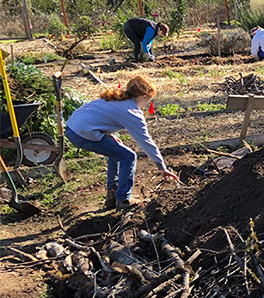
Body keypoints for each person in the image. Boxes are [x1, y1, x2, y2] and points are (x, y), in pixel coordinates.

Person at [65, 74, 180, 209]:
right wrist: (161, 167)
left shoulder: (116, 98)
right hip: (83, 134)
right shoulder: (132, 112)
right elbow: (146, 142)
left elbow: (98, 116)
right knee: (128, 156)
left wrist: (106, 134)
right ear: (144, 96)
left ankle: (112, 196)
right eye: (148, 100)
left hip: (72, 127)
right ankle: (124, 200)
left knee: (116, 153)